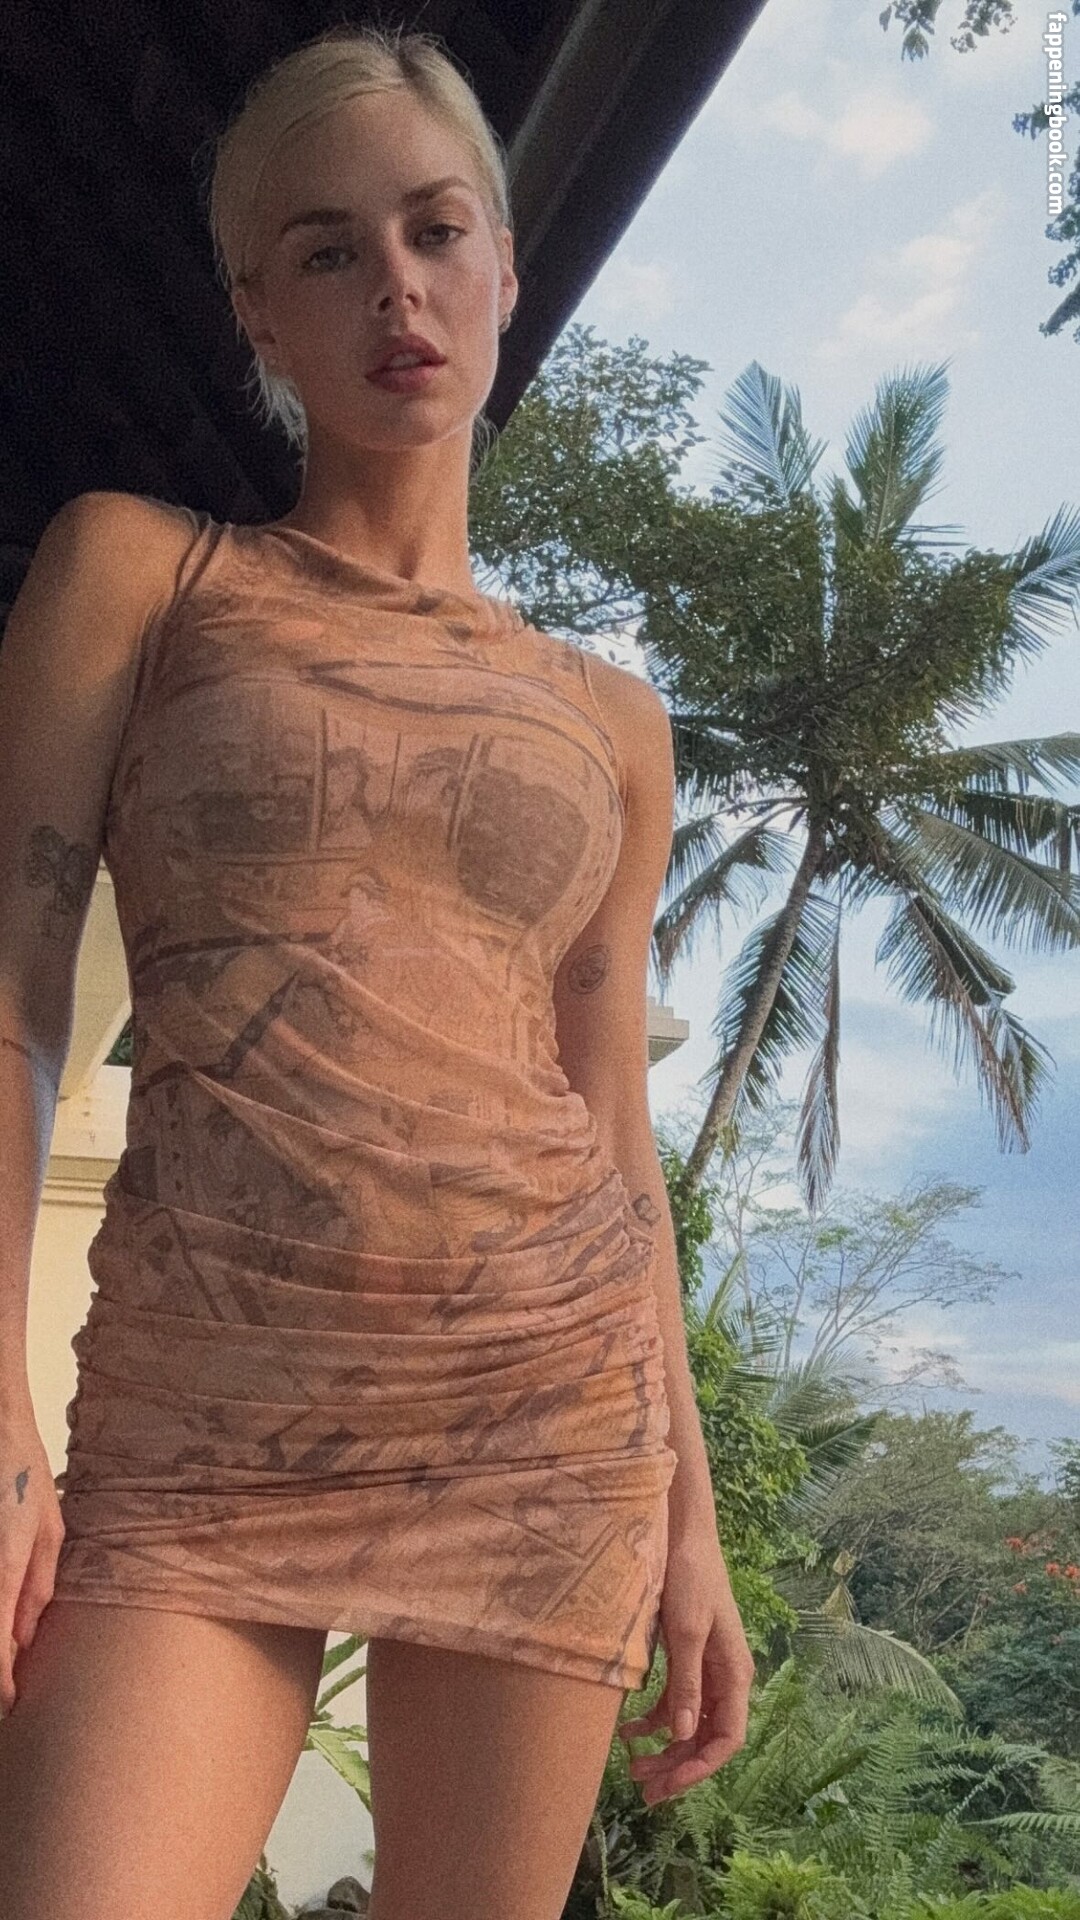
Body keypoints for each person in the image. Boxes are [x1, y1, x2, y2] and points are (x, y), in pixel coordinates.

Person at [0, 22, 753, 1920]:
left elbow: (611, 1124)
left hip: (548, 1425)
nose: (395, 287)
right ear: (258, 314)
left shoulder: (612, 722)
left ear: (503, 271)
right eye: (327, 249)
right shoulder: (141, 574)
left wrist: (691, 1510)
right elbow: (15, 1004)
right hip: (200, 1422)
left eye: (434, 231)